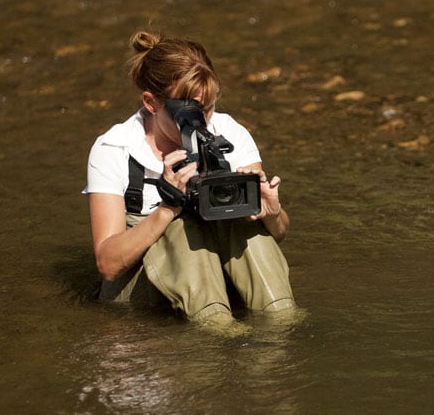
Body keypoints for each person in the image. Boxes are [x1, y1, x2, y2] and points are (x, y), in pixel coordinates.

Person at [84, 30, 296, 328]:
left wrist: (271, 213)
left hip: (216, 279)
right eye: (189, 113)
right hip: (144, 294)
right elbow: (108, 265)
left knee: (242, 224)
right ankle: (219, 327)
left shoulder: (229, 134)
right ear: (151, 102)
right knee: (180, 226)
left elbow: (278, 233)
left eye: (208, 107)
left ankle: (284, 319)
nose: (203, 122)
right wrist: (167, 207)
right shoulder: (114, 149)